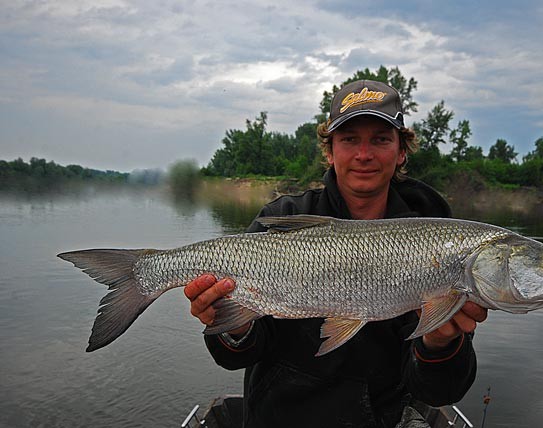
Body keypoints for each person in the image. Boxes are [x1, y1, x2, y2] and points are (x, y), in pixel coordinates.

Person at [184, 80, 488, 428]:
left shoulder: (438, 242)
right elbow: (239, 355)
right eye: (349, 139)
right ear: (329, 151)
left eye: (380, 139)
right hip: (278, 416)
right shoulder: (279, 219)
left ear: (401, 151)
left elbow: (439, 391)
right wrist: (231, 326)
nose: (364, 154)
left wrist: (438, 342)